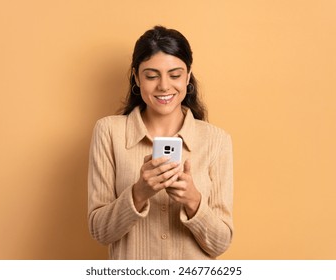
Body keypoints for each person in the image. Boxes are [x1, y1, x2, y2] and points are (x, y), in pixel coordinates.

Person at [88, 26, 233, 259]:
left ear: (187, 76)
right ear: (136, 77)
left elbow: (220, 243)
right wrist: (138, 193)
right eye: (152, 75)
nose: (164, 86)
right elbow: (100, 232)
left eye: (175, 75)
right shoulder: (109, 132)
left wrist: (193, 201)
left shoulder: (216, 140)